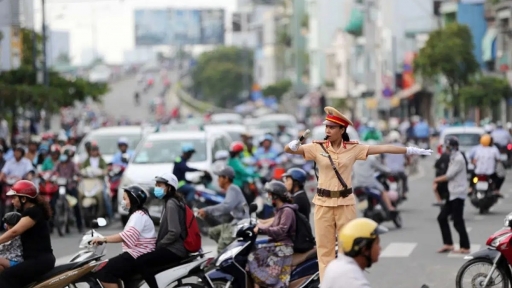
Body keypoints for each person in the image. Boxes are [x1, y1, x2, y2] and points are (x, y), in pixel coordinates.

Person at [284, 106, 432, 280]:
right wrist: (292, 145)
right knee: (325, 251)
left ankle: (349, 282)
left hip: (345, 203)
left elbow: (382, 148)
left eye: (332, 127)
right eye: (327, 127)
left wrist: (410, 150)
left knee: (349, 247)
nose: (328, 130)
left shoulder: (353, 149)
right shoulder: (317, 148)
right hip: (323, 204)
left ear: (342, 130)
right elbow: (290, 150)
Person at [92, 185, 156, 288]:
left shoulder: (138, 216)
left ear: (133, 200)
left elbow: (126, 236)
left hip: (137, 255)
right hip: (138, 254)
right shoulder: (139, 214)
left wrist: (104, 239)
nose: (123, 201)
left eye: (125, 199)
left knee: (103, 272)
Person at [135, 173, 187, 288]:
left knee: (141, 261)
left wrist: (160, 244)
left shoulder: (171, 204)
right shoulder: (171, 201)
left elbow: (174, 231)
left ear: (169, 187)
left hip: (174, 249)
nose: (156, 188)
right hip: (174, 247)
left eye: (160, 185)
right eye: (156, 185)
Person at [0, 180, 55, 287]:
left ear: (24, 199)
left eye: (14, 198)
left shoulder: (33, 212)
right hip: (34, 260)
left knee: (6, 277)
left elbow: (14, 232)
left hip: (39, 261)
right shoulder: (29, 212)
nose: (12, 201)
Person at [247, 181, 297, 288]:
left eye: (269, 194)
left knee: (252, 255)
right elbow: (272, 224)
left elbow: (281, 230)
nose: (268, 196)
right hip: (277, 243)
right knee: (254, 247)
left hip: (284, 247)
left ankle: (264, 281)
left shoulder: (287, 210)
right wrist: (259, 224)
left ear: (276, 195)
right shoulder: (279, 210)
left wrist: (261, 230)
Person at [321, 218, 388, 288]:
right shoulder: (354, 281)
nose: (380, 248)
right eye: (377, 243)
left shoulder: (335, 265)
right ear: (364, 249)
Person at [197, 166, 248, 253]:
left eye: (219, 177)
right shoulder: (230, 190)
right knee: (213, 232)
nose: (217, 180)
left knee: (221, 248)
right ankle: (229, 249)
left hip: (240, 225)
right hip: (235, 223)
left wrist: (207, 210)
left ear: (226, 178)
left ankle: (226, 252)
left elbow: (226, 207)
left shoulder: (233, 188)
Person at [433, 137, 471, 254]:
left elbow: (449, 175)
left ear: (454, 147)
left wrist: (436, 180)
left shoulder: (458, 159)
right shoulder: (453, 157)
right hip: (453, 193)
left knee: (457, 221)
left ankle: (465, 246)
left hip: (458, 194)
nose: (447, 149)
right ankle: (448, 244)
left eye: (448, 147)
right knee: (442, 218)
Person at [352, 148, 398, 213]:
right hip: (369, 183)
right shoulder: (370, 158)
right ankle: (390, 207)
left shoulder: (354, 160)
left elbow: (351, 174)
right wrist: (389, 171)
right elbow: (381, 168)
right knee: (383, 190)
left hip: (357, 185)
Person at [52, 149, 83, 232]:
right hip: (60, 187)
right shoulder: (58, 164)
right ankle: (51, 226)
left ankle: (80, 225)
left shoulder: (72, 164)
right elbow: (53, 172)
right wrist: (51, 177)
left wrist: (77, 177)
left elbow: (78, 173)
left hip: (70, 186)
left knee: (76, 205)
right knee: (52, 202)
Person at [80, 144, 113, 220]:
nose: (94, 152)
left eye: (95, 150)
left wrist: (104, 171)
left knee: (105, 197)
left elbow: (106, 168)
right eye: (92, 150)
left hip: (99, 181)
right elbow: (81, 168)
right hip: (88, 182)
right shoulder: (87, 160)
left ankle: (110, 215)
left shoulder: (101, 160)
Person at [384, 130, 409, 199]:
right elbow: (407, 158)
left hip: (389, 171)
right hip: (400, 171)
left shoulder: (386, 147)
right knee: (404, 178)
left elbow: (382, 159)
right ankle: (404, 193)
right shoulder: (402, 147)